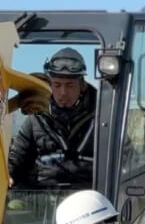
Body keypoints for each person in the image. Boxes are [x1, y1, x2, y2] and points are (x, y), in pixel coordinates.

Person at [8, 48, 96, 190]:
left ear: (82, 85)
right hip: (43, 200)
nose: (63, 93)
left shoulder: (103, 118)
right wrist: (9, 174)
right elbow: (17, 158)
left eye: (70, 85)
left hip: (90, 199)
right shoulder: (35, 119)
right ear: (49, 85)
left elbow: (125, 159)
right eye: (57, 85)